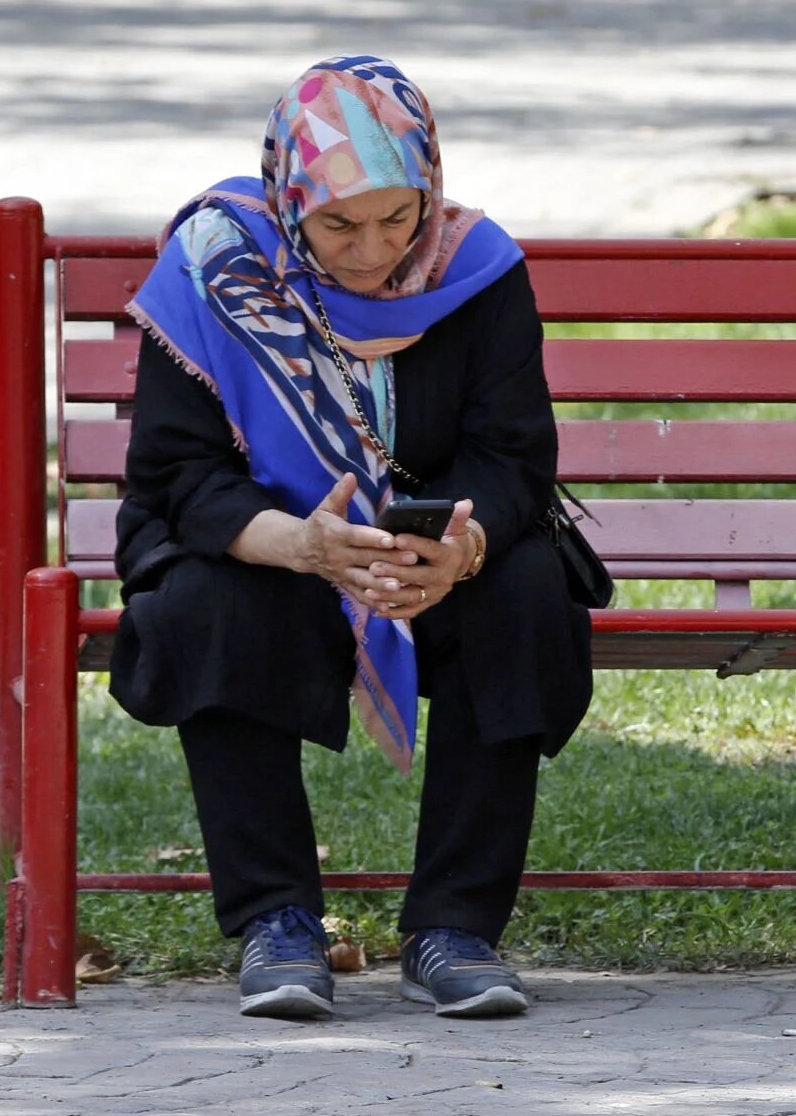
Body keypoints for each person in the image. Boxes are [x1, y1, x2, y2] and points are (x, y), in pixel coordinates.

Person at [109, 55, 592, 1021]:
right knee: (206, 601)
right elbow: (176, 474)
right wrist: (299, 544)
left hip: (435, 551)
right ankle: (277, 922)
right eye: (337, 224)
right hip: (271, 542)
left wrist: (457, 548)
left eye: (396, 217)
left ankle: (456, 928)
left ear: (430, 191)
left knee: (528, 595)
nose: (371, 251)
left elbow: (513, 455)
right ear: (291, 201)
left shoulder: (478, 268)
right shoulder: (216, 267)